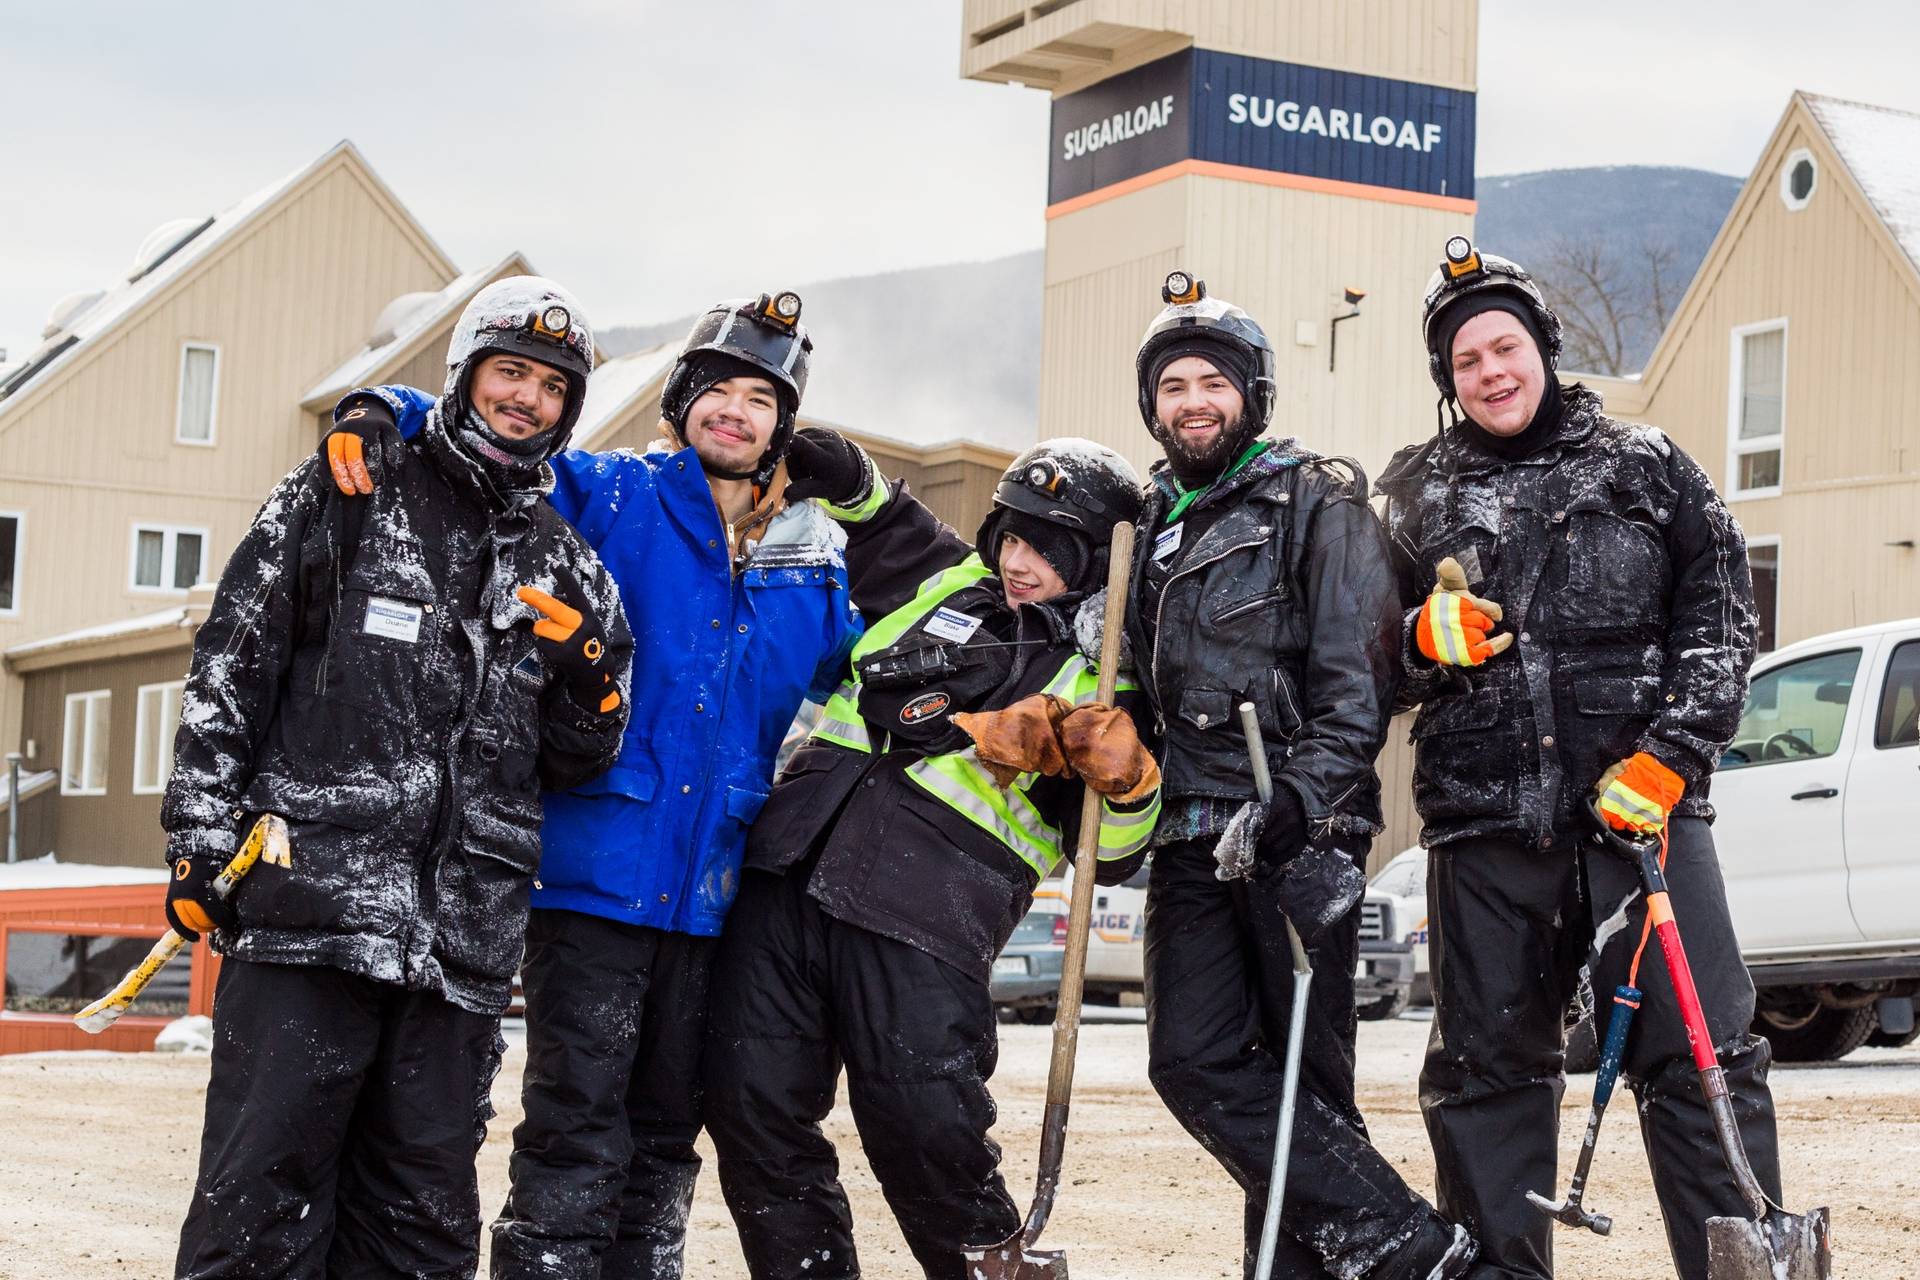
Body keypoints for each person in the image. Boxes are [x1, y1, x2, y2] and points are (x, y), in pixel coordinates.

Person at [323, 290, 863, 1279]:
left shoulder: (809, 561)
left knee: (665, 1131)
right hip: (595, 881)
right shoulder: (614, 493)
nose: (736, 411)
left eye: (761, 399)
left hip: (713, 895)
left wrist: (877, 508)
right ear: (682, 401)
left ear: (783, 428)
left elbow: (890, 658)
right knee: (577, 1125)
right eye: (719, 390)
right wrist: (379, 410)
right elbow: (487, 442)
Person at [164, 276, 633, 1278]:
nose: (530, 399)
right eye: (511, 371)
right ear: (466, 375)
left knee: (419, 1231)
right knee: (260, 1206)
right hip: (311, 913)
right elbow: (233, 658)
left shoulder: (571, 567)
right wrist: (200, 837)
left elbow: (580, 759)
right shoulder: (353, 489)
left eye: (554, 387)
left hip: (460, 949)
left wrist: (592, 680)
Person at [1376, 237, 1776, 1280]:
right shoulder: (1412, 497)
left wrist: (1672, 758)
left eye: (1503, 345)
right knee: (1486, 1077)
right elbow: (1358, 658)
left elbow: (1724, 612)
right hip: (1483, 829)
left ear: (1543, 346)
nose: (1490, 372)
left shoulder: (1644, 464)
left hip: (1636, 821)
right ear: (1445, 381)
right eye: (1465, 361)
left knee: (1703, 1065)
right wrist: (1417, 636)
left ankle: (1740, 1261)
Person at [702, 438, 1161, 1279]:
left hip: (926, 915)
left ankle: (989, 1266)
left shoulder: (1107, 688)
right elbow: (882, 516)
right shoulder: (951, 581)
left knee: (925, 1127)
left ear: (1096, 561)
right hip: (789, 873)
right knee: (750, 1103)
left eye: (1048, 551)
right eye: (1012, 539)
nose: (1020, 564)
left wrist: (1126, 782)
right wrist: (838, 467)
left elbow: (1119, 858)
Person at [1126, 272, 1480, 1279]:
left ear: (1253, 392)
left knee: (1303, 1087)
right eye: (1174, 384)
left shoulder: (1319, 504)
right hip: (1190, 832)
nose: (1194, 400)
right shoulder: (1146, 525)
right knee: (1189, 1058)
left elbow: (1355, 683)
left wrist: (1303, 802)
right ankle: (1414, 1246)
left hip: (1298, 829)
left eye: (1214, 381)